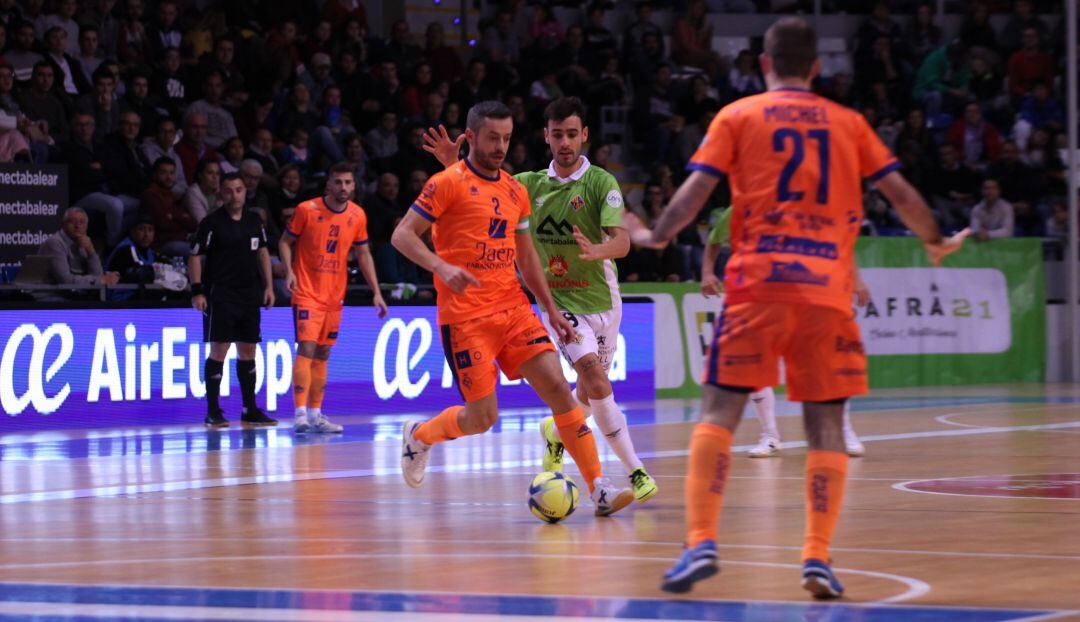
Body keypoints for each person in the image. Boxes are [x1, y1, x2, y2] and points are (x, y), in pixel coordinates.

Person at [624, 17, 965, 597]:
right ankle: (816, 557)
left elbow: (697, 193)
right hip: (826, 293)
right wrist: (933, 239)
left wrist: (656, 235)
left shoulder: (738, 115)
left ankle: (700, 540)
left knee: (718, 412)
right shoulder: (849, 122)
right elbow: (902, 193)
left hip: (758, 285)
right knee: (825, 423)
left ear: (763, 64)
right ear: (816, 68)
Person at [392, 101, 634, 516]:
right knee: (482, 417)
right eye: (492, 138)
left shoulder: (514, 190)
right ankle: (421, 435)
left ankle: (600, 487)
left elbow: (527, 258)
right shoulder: (445, 183)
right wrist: (440, 266)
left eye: (506, 138)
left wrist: (551, 310)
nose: (501, 146)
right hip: (466, 319)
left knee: (560, 389)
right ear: (471, 138)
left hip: (514, 309)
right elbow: (402, 236)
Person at [700, 207, 867, 459]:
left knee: (825, 365)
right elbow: (714, 240)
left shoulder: (808, 207)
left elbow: (839, 241)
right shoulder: (741, 208)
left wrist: (854, 280)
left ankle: (845, 431)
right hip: (757, 297)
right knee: (751, 365)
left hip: (805, 292)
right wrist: (707, 272)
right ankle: (770, 436)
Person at [279, 162, 388, 434]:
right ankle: (300, 414)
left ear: (354, 185)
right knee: (306, 347)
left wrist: (376, 291)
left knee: (324, 352)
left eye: (348, 183)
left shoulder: (358, 215)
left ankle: (316, 415)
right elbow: (284, 241)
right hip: (306, 292)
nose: (343, 188)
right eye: (338, 182)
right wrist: (289, 272)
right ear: (328, 184)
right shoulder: (307, 210)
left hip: (334, 297)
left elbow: (363, 254)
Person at [188, 173, 277, 429]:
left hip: (249, 293)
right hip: (221, 294)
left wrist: (269, 286)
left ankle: (250, 408)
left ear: (245, 192)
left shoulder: (254, 220)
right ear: (221, 194)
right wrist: (197, 291)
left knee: (248, 351)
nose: (234, 195)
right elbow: (195, 256)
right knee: (219, 350)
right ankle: (213, 410)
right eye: (228, 190)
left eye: (238, 190)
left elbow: (262, 252)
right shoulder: (211, 223)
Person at [37, 206, 120, 288]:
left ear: (86, 226)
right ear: (63, 224)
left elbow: (97, 275)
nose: (77, 226)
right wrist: (100, 280)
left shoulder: (84, 242)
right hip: (51, 296)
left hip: (73, 296)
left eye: (82, 222)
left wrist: (90, 251)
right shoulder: (54, 243)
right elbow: (65, 281)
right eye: (73, 222)